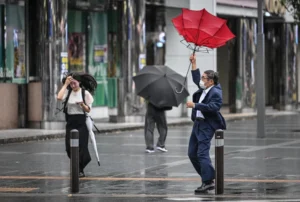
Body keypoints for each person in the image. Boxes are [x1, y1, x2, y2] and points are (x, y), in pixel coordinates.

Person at [186, 54, 226, 193]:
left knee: (202, 153)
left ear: (211, 81)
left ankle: (208, 181)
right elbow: (196, 79)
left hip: (207, 125)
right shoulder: (205, 88)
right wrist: (194, 63)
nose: (201, 80)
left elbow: (213, 107)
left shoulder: (215, 92)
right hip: (197, 124)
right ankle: (208, 176)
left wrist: (195, 105)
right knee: (192, 153)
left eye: (204, 78)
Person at [57, 72, 96, 178]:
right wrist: (65, 85)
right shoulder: (68, 92)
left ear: (79, 82)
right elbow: (59, 97)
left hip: (81, 122)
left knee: (81, 147)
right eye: (71, 84)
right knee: (69, 148)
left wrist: (82, 104)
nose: (72, 85)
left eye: (74, 83)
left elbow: (88, 109)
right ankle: (78, 167)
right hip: (70, 122)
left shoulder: (85, 93)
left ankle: (79, 169)